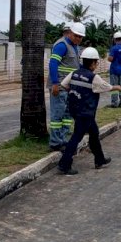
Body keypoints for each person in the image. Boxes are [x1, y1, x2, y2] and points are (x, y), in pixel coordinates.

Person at [57, 47, 121, 175]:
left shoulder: (74, 73)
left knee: (94, 133)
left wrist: (74, 92)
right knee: (76, 137)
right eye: (96, 62)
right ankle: (64, 164)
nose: (96, 65)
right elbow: (105, 87)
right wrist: (117, 87)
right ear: (92, 63)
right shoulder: (93, 77)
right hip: (86, 112)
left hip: (75, 109)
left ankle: (100, 159)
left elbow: (63, 85)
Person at [48, 22, 85, 151]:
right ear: (70, 33)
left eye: (81, 37)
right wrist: (55, 83)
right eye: (76, 36)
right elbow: (53, 64)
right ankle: (55, 142)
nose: (78, 39)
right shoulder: (61, 45)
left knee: (67, 115)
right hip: (60, 86)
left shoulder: (75, 47)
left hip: (70, 87)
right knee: (57, 114)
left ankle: (63, 139)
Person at [107, 31, 121, 107]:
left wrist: (112, 59)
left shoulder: (114, 48)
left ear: (114, 39)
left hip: (114, 70)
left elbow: (110, 59)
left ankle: (114, 103)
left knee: (114, 86)